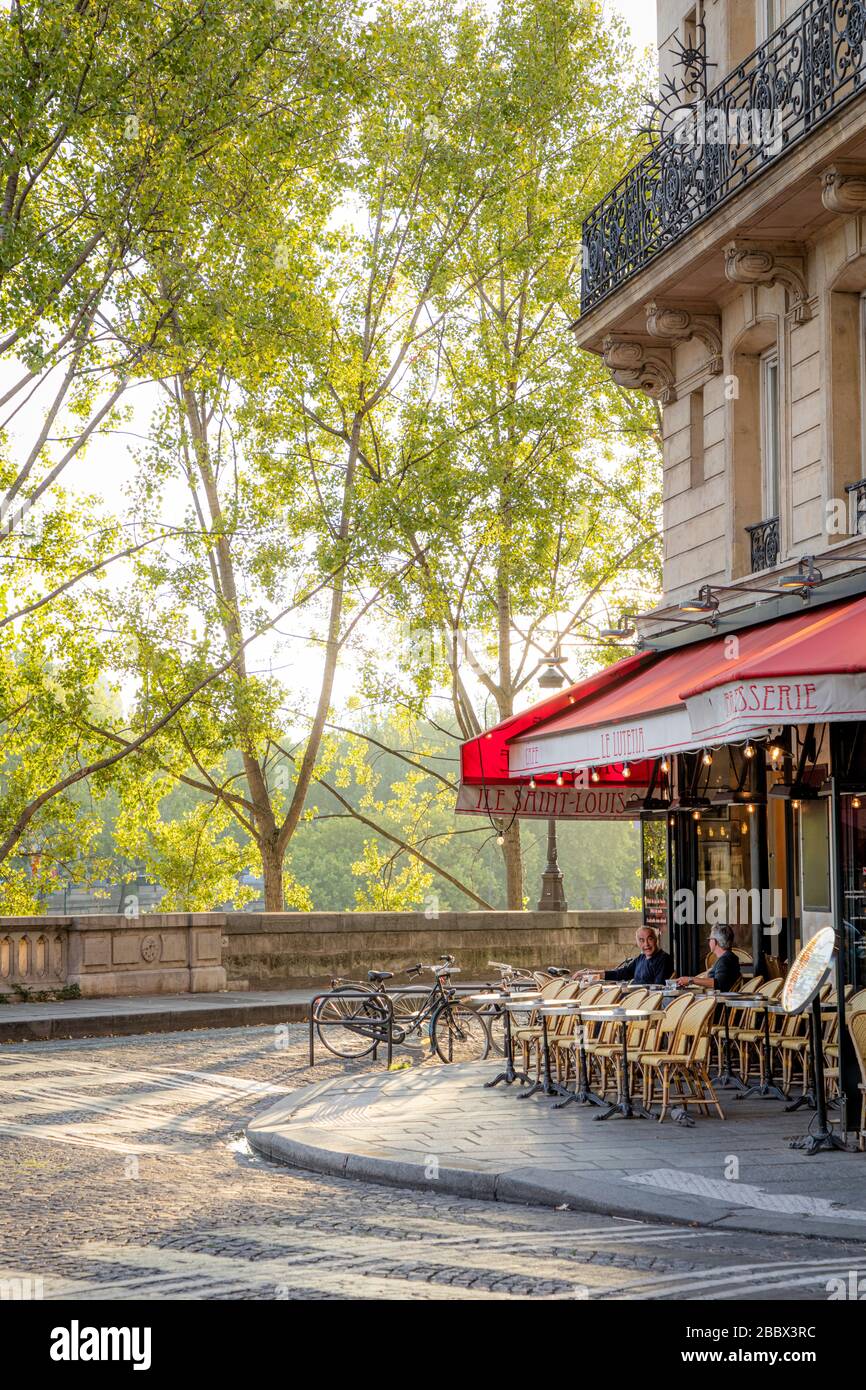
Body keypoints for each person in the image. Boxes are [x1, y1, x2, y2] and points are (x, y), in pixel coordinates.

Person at [578, 925, 673, 986]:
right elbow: (621, 973)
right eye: (641, 940)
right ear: (637, 943)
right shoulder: (641, 958)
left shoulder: (663, 959)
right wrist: (591, 973)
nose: (646, 944)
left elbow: (658, 989)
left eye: (650, 939)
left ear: (656, 940)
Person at [675, 924, 741, 991]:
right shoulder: (729, 957)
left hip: (717, 1000)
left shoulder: (725, 960)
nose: (709, 942)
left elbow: (718, 983)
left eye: (709, 939)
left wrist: (690, 980)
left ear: (714, 941)